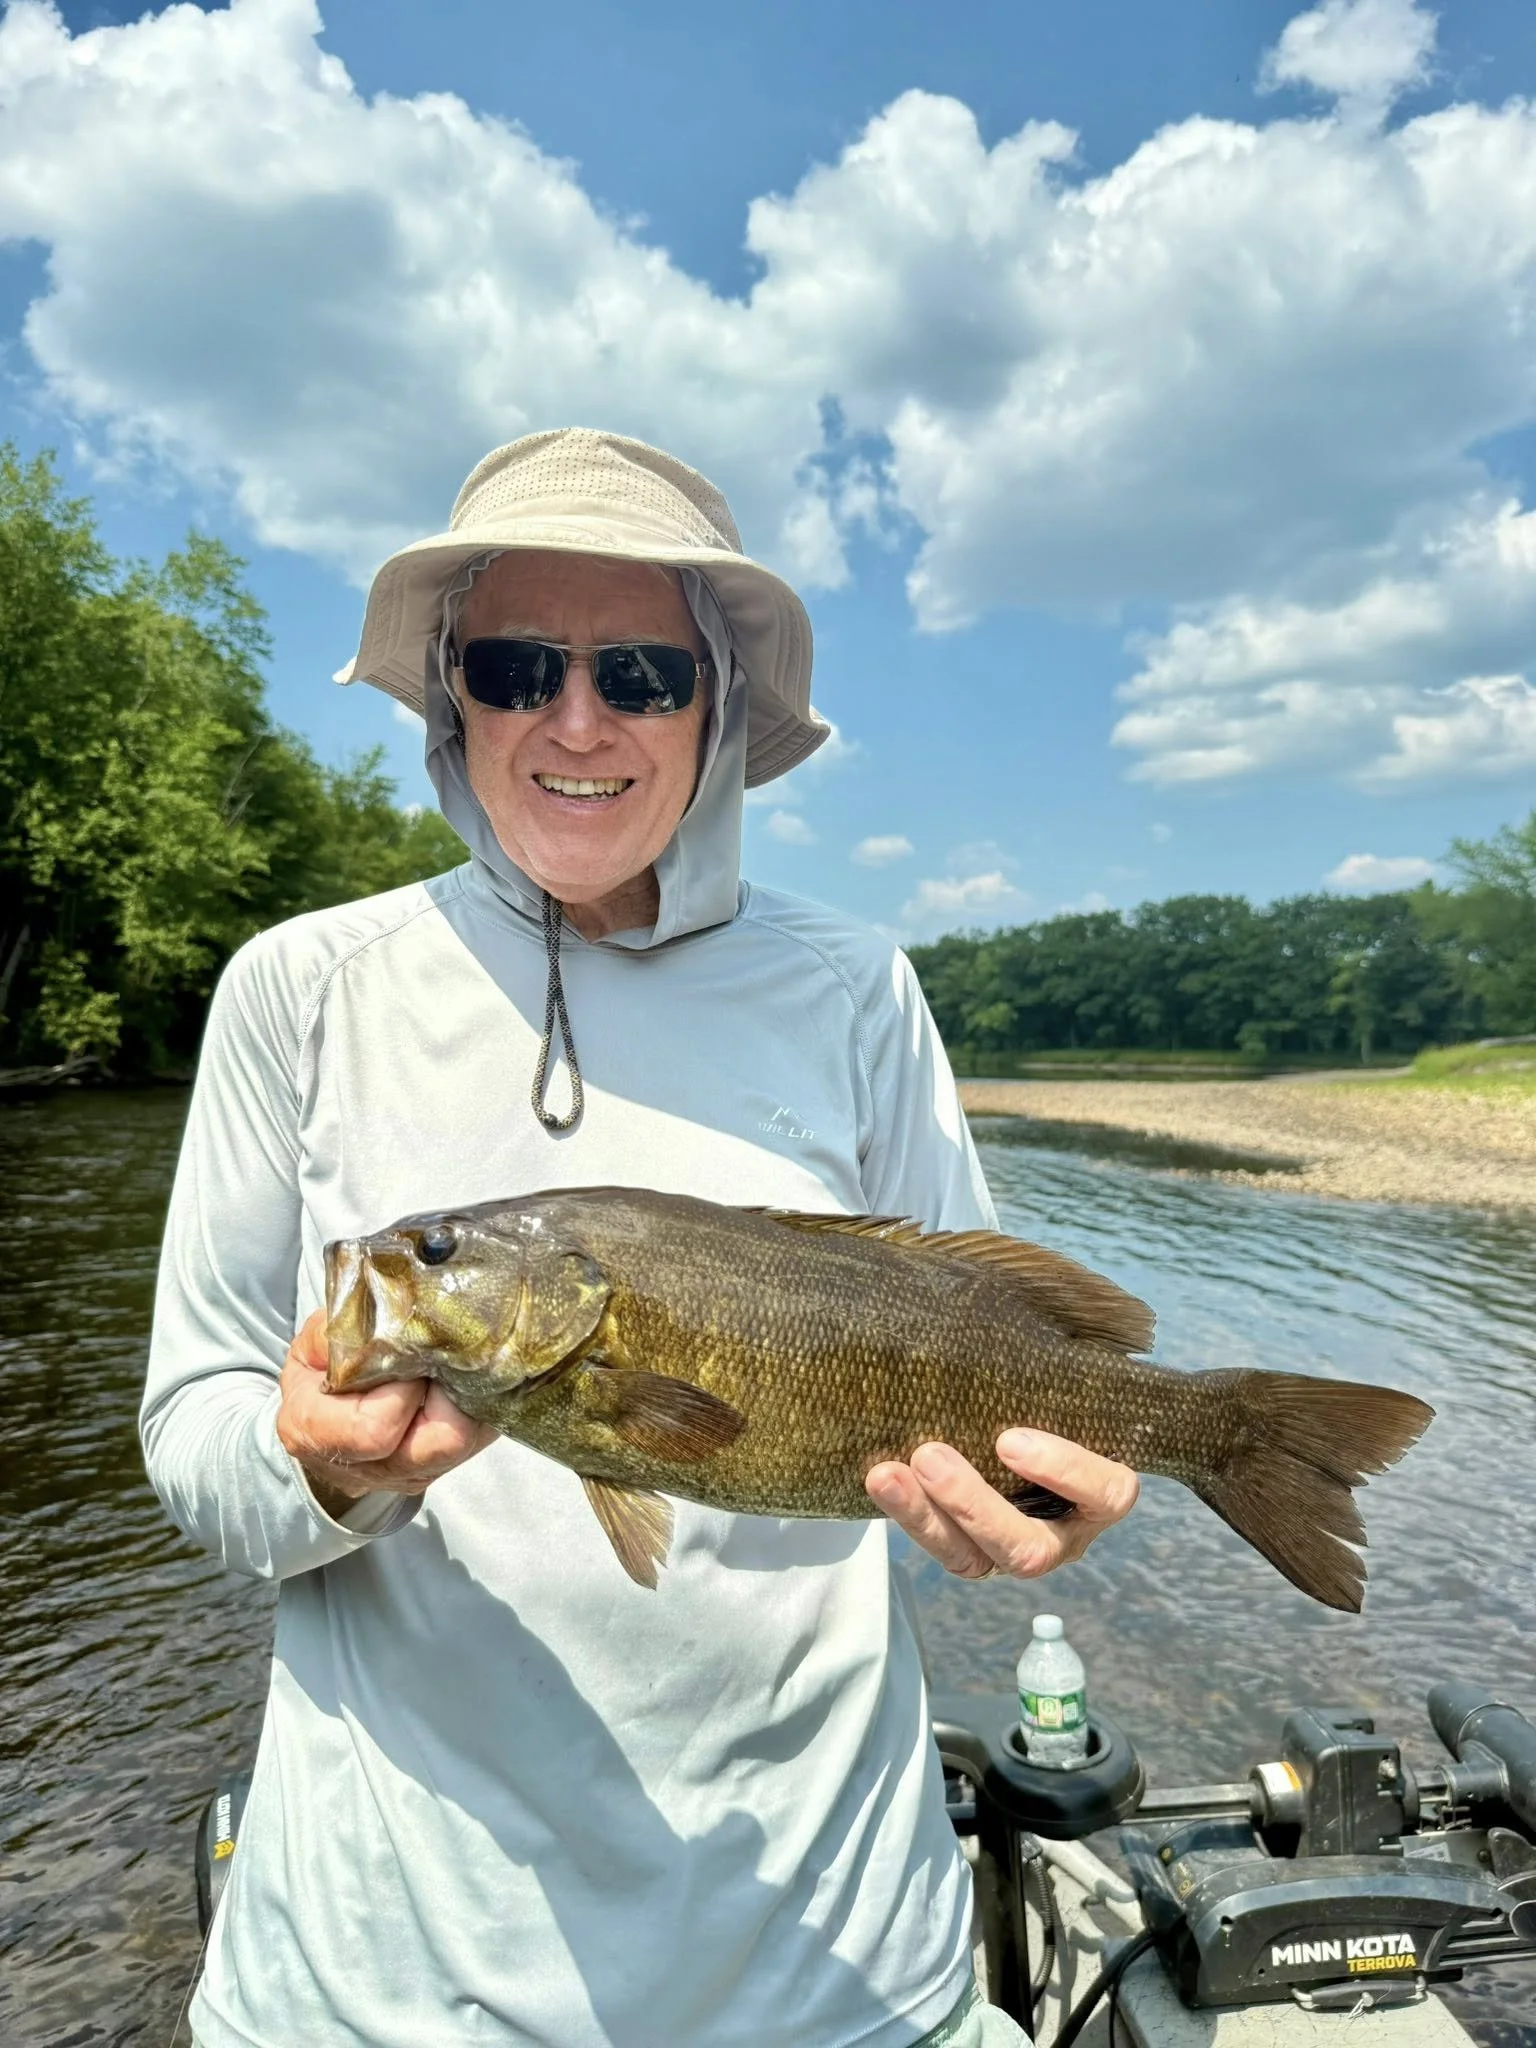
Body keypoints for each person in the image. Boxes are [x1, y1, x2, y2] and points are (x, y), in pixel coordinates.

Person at [142, 428, 1139, 2048]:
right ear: (453, 692)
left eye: (646, 672)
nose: (578, 717)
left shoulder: (859, 990)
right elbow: (191, 1440)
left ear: (722, 706)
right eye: (520, 663)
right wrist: (322, 1467)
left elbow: (991, 1367)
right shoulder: (299, 990)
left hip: (829, 1964)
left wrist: (1043, 1502)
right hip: (380, 1981)